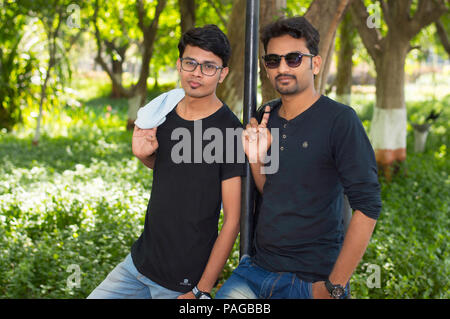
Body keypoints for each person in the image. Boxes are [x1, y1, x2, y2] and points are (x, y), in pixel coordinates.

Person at [216, 16, 382, 299]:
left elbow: (368, 207)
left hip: (311, 280)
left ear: (315, 64)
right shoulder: (264, 117)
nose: (282, 67)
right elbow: (271, 190)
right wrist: (256, 159)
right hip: (256, 272)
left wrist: (334, 287)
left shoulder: (340, 120)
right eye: (273, 60)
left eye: (293, 59)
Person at [88, 24, 245, 299]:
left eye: (209, 67)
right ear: (179, 64)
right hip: (138, 264)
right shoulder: (164, 113)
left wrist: (202, 290)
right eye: (191, 63)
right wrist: (145, 156)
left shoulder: (230, 131)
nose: (197, 73)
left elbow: (232, 219)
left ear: (223, 74)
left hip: (182, 282)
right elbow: (177, 174)